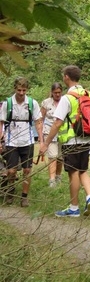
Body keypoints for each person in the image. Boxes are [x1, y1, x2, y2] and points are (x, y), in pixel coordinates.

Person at [39, 65, 90, 217]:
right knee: (83, 170)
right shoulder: (89, 95)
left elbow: (57, 123)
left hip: (71, 141)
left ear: (66, 77)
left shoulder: (67, 98)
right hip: (87, 139)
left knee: (73, 172)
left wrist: (45, 143)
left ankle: (74, 207)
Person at [0, 77, 43, 207]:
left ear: (27, 90)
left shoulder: (32, 103)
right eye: (19, 90)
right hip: (11, 140)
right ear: (15, 89)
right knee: (12, 170)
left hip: (27, 141)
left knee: (27, 170)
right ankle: (11, 191)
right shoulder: (7, 103)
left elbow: (38, 121)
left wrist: (41, 140)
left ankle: (24, 197)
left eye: (24, 90)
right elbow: (1, 122)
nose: (21, 93)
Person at [40, 82, 64, 187]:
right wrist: (40, 136)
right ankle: (52, 179)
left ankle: (58, 176)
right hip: (49, 131)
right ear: (52, 92)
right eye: (55, 93)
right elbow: (41, 119)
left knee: (60, 157)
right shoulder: (46, 103)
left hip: (62, 133)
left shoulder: (65, 101)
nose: (57, 95)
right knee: (52, 156)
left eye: (59, 92)